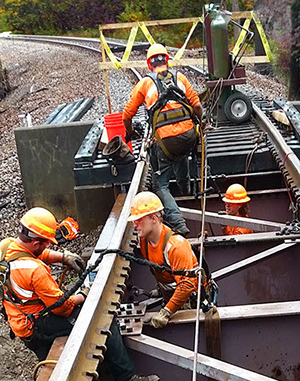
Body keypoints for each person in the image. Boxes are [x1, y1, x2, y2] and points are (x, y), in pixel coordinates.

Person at [0, 207, 159, 381]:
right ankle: (127, 377)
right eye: (46, 242)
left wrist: (63, 256)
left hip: (19, 319)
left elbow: (36, 253)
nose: (48, 245)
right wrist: (84, 294)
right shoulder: (35, 271)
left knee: (49, 358)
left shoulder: (7, 245)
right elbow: (63, 308)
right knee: (103, 319)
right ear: (36, 242)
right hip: (37, 324)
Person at [123, 43, 203, 236]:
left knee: (161, 184)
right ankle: (185, 190)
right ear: (167, 60)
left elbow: (127, 115)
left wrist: (129, 132)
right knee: (181, 153)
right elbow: (198, 106)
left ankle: (177, 221)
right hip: (189, 136)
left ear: (150, 64)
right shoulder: (180, 78)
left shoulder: (145, 83)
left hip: (166, 142)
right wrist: (201, 124)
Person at [128, 191, 210, 329]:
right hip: (171, 293)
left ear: (153, 218)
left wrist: (166, 311)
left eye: (139, 220)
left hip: (191, 299)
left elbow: (186, 285)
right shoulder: (144, 242)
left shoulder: (175, 246)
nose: (135, 225)